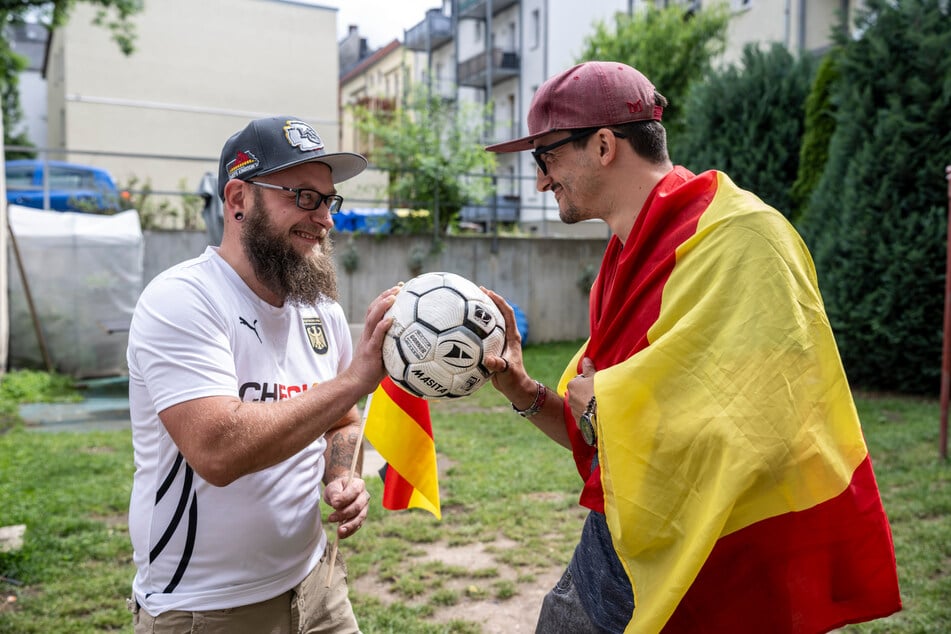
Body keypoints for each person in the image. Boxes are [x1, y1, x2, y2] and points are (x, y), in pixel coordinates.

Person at [481, 61, 902, 633]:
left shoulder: (743, 235)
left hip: (716, 550)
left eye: (545, 157)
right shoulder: (621, 258)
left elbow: (776, 421)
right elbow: (602, 435)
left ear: (604, 145)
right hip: (627, 537)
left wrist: (607, 402)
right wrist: (523, 389)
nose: (540, 180)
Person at [126, 116, 398, 633]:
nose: (324, 220)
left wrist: (340, 476)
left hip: (318, 587)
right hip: (206, 609)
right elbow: (218, 450)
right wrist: (356, 378)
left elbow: (342, 420)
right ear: (238, 199)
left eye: (328, 200)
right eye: (303, 197)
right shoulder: (182, 300)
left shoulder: (320, 309)